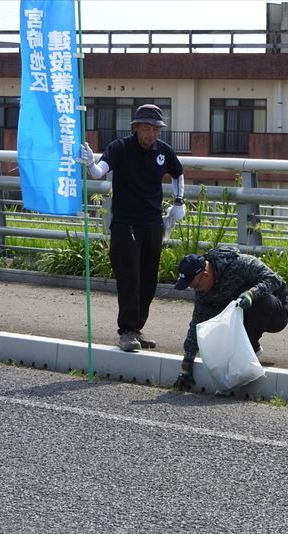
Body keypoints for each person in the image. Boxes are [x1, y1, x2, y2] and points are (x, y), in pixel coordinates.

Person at [80, 104, 186, 352]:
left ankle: (137, 328)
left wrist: (178, 202)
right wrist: (89, 162)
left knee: (148, 280)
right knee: (130, 278)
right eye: (147, 128)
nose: (152, 134)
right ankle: (126, 331)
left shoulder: (163, 151)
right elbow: (98, 172)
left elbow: (178, 173)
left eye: (156, 129)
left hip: (153, 223)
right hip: (125, 224)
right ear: (136, 127)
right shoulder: (121, 148)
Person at [173, 246, 288, 391]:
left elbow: (275, 280)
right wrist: (187, 364)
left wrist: (252, 294)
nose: (196, 290)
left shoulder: (240, 264)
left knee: (261, 300)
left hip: (274, 314)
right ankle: (247, 347)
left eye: (195, 286)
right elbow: (197, 322)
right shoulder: (203, 291)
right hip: (239, 314)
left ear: (205, 275)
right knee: (207, 317)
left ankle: (247, 348)